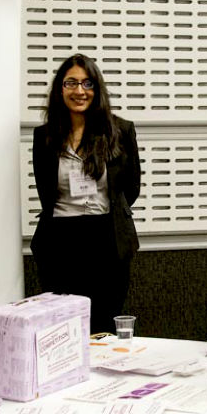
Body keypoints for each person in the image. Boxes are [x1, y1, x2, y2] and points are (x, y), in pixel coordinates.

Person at [30, 53, 141, 334]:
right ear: (60, 89)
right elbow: (46, 191)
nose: (79, 91)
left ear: (97, 89)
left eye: (87, 83)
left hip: (107, 241)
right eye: (71, 83)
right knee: (62, 329)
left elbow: (131, 188)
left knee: (103, 326)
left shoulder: (120, 131)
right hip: (60, 242)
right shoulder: (44, 136)